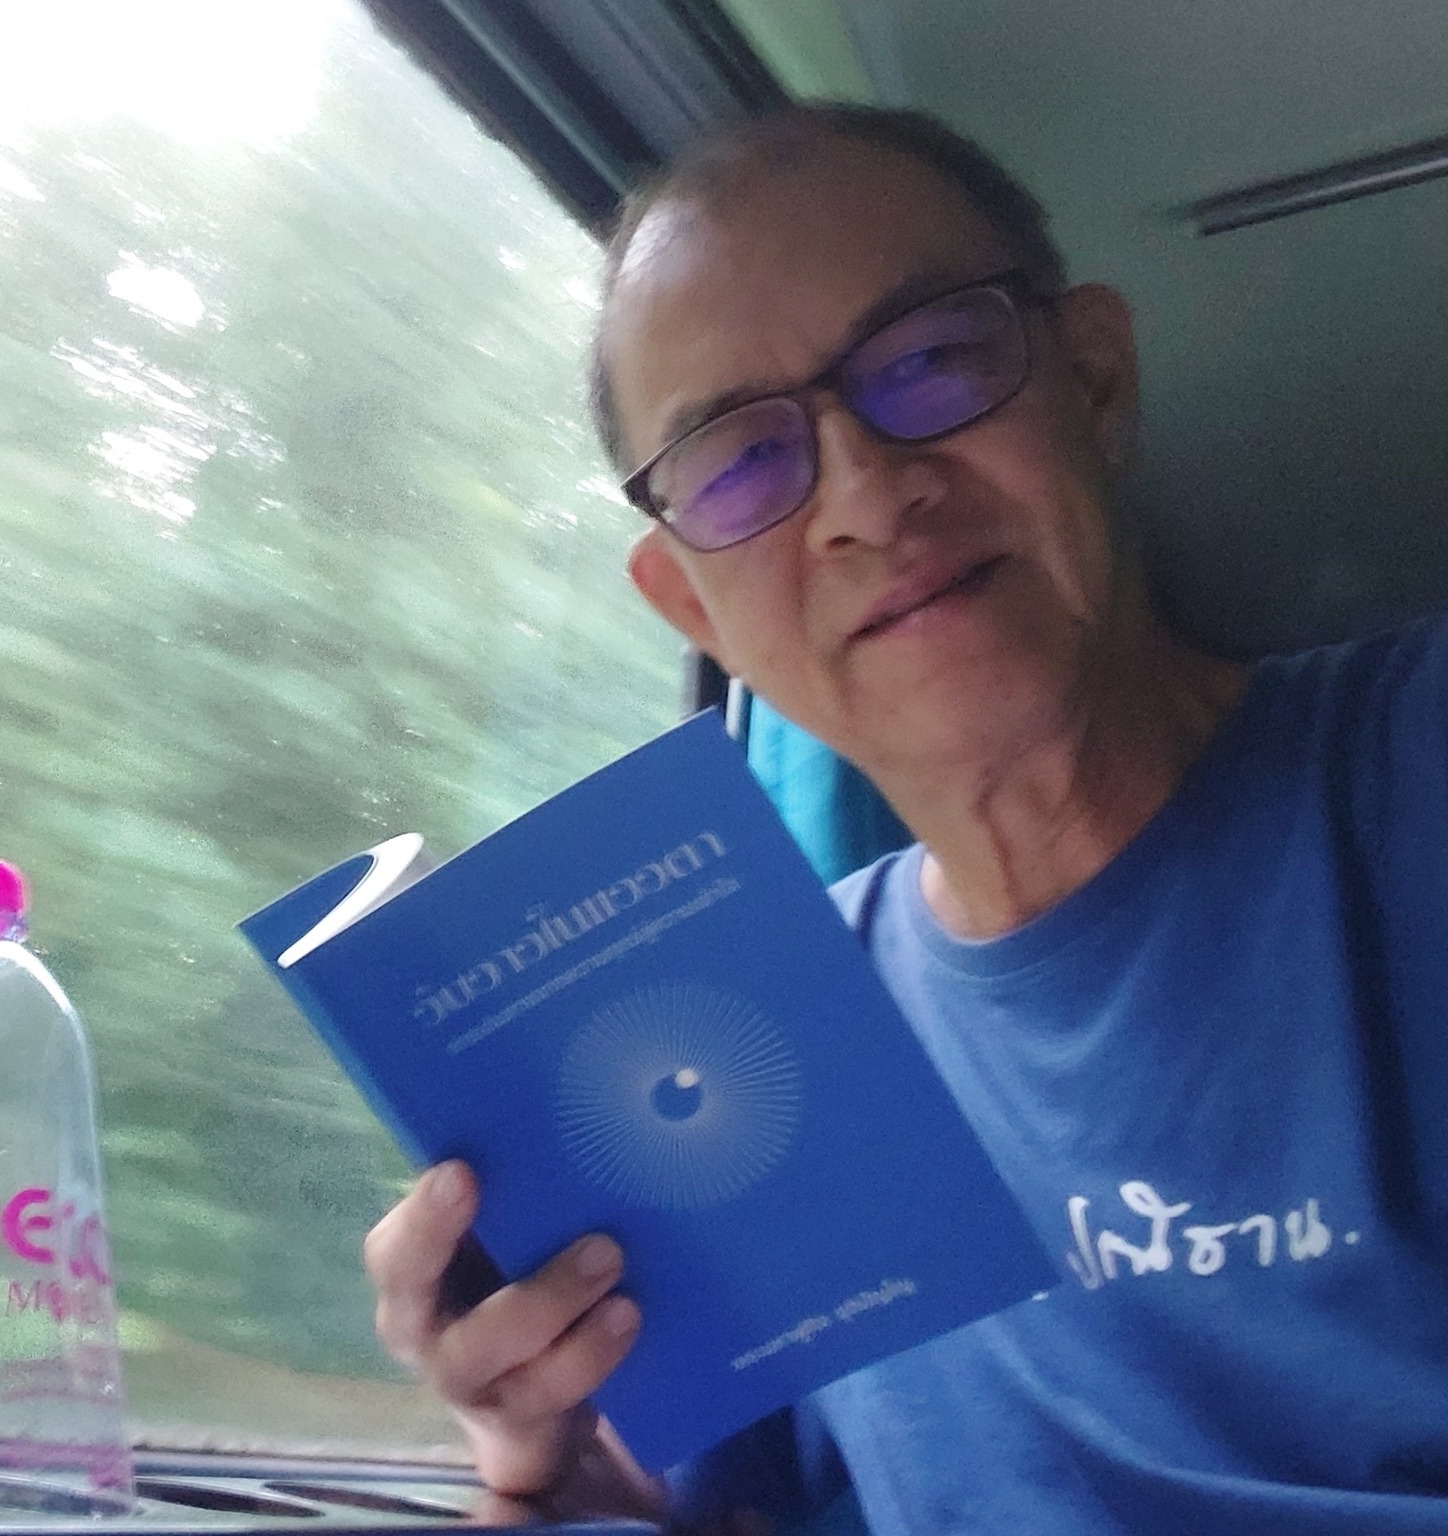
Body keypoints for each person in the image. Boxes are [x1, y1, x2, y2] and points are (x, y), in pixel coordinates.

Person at [362, 104, 1448, 1534]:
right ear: (695, 611)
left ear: (1095, 381)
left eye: (930, 361)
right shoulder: (758, 1033)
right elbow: (722, 1515)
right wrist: (549, 1464)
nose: (867, 497)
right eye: (741, 463)